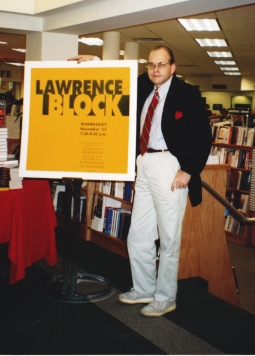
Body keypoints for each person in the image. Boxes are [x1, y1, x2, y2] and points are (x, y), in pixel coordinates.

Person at [68, 46, 212, 317]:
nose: (155, 69)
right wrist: (96, 61)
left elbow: (203, 137)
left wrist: (189, 171)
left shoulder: (187, 94)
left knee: (169, 238)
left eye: (161, 64)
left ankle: (165, 297)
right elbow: (117, 78)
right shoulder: (145, 85)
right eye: (151, 64)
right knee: (138, 234)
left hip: (170, 165)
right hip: (144, 163)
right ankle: (144, 288)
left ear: (173, 67)